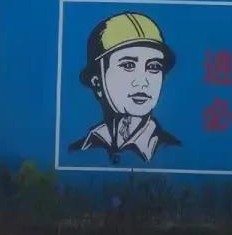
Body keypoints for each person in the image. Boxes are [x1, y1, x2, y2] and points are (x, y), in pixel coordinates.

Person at [69, 12, 179, 164]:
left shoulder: (175, 150)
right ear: (97, 83)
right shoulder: (79, 150)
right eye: (128, 65)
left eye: (153, 67)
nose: (142, 82)